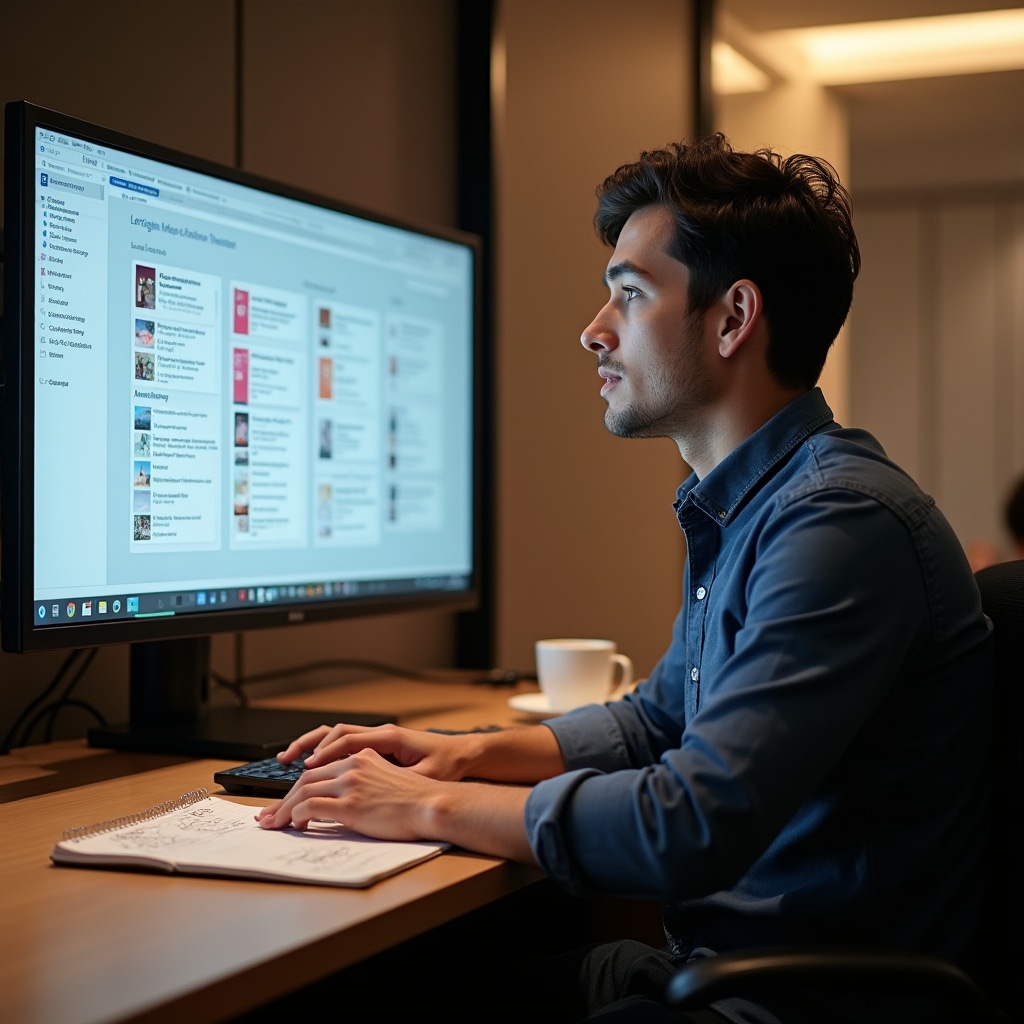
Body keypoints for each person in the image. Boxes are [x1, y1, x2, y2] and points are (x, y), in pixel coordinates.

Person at [256, 135, 993, 1023]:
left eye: (630, 295)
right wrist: (461, 751)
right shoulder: (748, 504)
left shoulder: (840, 523)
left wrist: (427, 805)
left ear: (733, 319)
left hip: (783, 1005)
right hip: (706, 969)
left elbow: (692, 825)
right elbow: (658, 721)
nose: (593, 330)